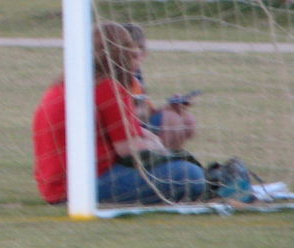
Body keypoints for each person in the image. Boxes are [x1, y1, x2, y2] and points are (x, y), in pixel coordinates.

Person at [32, 21, 207, 206]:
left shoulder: (63, 84)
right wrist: (159, 148)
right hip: (82, 186)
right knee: (190, 175)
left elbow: (125, 130)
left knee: (177, 165)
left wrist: (147, 138)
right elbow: (127, 148)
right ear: (122, 55)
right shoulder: (108, 87)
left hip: (55, 187)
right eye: (132, 53)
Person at [119, 22, 198, 151]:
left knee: (188, 121)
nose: (140, 59)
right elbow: (124, 116)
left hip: (142, 122)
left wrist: (171, 106)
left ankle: (172, 161)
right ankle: (158, 164)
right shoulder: (113, 79)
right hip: (129, 130)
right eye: (134, 56)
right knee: (171, 120)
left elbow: (149, 111)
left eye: (143, 53)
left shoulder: (136, 77)